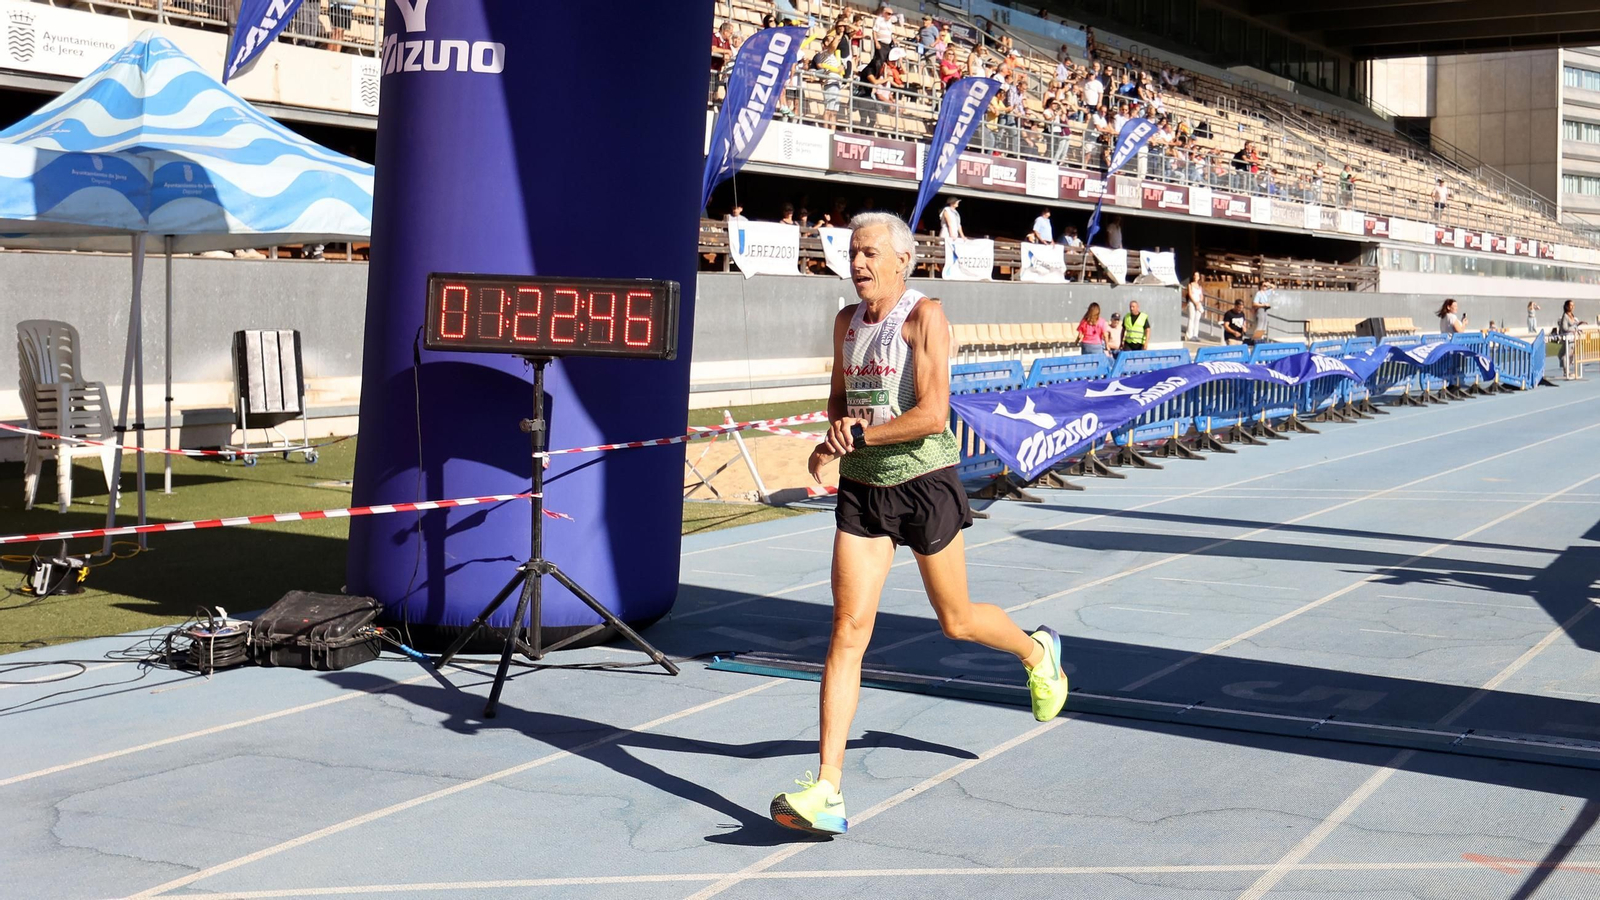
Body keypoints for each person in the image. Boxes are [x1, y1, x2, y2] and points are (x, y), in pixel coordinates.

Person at [770, 213, 1070, 836]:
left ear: (904, 261)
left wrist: (862, 434)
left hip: (924, 483)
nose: (857, 263)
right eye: (852, 252)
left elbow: (934, 415)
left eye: (870, 253)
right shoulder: (844, 323)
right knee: (847, 630)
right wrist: (833, 439)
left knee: (955, 621)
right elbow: (840, 399)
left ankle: (1036, 650)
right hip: (863, 489)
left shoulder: (924, 316)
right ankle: (828, 787)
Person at [1556, 300, 1585, 379]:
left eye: (1573, 305)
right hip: (1568, 338)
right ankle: (1566, 371)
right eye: (1571, 305)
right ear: (1567, 306)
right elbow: (1564, 327)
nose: (1573, 307)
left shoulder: (1571, 315)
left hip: (1573, 338)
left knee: (1567, 355)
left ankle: (1566, 371)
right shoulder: (1565, 316)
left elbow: (1573, 325)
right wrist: (1573, 330)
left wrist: (1579, 324)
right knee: (1563, 355)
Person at [1184, 272, 1205, 341]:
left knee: (1197, 319)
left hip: (1198, 303)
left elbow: (1201, 296)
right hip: (1192, 302)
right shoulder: (1190, 285)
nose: (1196, 277)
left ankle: (1195, 335)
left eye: (1197, 275)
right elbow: (1190, 294)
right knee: (1191, 318)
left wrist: (1199, 302)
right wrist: (1195, 302)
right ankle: (1189, 335)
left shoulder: (1200, 286)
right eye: (1195, 275)